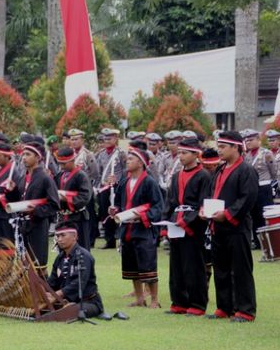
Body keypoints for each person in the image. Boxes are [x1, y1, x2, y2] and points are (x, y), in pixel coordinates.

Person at [201, 131, 258, 322]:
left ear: (236, 147)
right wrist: (205, 209)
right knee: (221, 267)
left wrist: (227, 214)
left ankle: (245, 310)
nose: (220, 150)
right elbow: (212, 193)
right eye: (219, 146)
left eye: (223, 147)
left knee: (241, 269)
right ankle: (224, 307)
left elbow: (247, 198)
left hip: (237, 226)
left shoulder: (246, 170)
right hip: (218, 227)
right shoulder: (220, 169)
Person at [109, 141, 164, 308]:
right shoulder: (124, 182)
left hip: (144, 229)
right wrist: (114, 209)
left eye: (131, 159)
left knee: (147, 264)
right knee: (132, 265)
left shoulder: (149, 182)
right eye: (128, 158)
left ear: (141, 162)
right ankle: (140, 299)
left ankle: (154, 299)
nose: (128, 161)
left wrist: (143, 216)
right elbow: (119, 202)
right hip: (127, 228)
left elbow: (158, 206)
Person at [165, 137, 211, 316]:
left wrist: (188, 220)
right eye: (180, 153)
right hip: (176, 223)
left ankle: (197, 303)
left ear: (196, 154)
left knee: (193, 264)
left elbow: (204, 203)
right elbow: (170, 201)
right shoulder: (177, 176)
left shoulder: (203, 176)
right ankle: (179, 302)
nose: (180, 156)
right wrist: (166, 221)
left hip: (194, 225)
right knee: (175, 264)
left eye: (184, 153)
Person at [5, 138, 59, 272]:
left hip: (38, 225)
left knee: (37, 264)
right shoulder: (23, 177)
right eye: (23, 154)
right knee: (24, 263)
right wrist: (11, 192)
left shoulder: (45, 178)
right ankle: (29, 292)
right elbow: (19, 201)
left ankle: (40, 292)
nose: (24, 158)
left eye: (28, 154)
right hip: (23, 226)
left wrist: (36, 210)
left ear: (38, 157)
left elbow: (54, 205)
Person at [46, 221, 105, 318]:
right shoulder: (60, 258)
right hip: (65, 301)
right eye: (57, 236)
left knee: (68, 311)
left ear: (74, 236)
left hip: (88, 303)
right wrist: (45, 292)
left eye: (63, 235)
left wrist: (58, 293)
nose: (59, 239)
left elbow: (79, 282)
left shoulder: (84, 256)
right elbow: (52, 280)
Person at [54, 146, 92, 250]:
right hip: (63, 218)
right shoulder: (59, 175)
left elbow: (85, 196)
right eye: (60, 164)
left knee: (80, 248)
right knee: (63, 248)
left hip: (77, 217)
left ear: (72, 160)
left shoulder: (81, 176)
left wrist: (67, 198)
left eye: (64, 164)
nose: (61, 167)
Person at [242, 129, 275, 250]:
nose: (248, 142)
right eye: (247, 140)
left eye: (251, 140)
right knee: (253, 215)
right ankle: (256, 241)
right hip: (252, 188)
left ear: (258, 140)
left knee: (264, 215)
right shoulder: (247, 155)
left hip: (264, 188)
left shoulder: (266, 154)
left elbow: (273, 172)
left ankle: (268, 243)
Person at [95, 128, 127, 249]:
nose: (107, 141)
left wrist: (117, 180)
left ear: (115, 139)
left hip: (117, 187)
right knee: (105, 213)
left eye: (110, 138)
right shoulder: (101, 154)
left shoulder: (121, 154)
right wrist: (98, 186)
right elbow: (99, 172)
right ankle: (109, 240)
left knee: (117, 212)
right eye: (105, 138)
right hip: (104, 187)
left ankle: (119, 237)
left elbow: (126, 170)